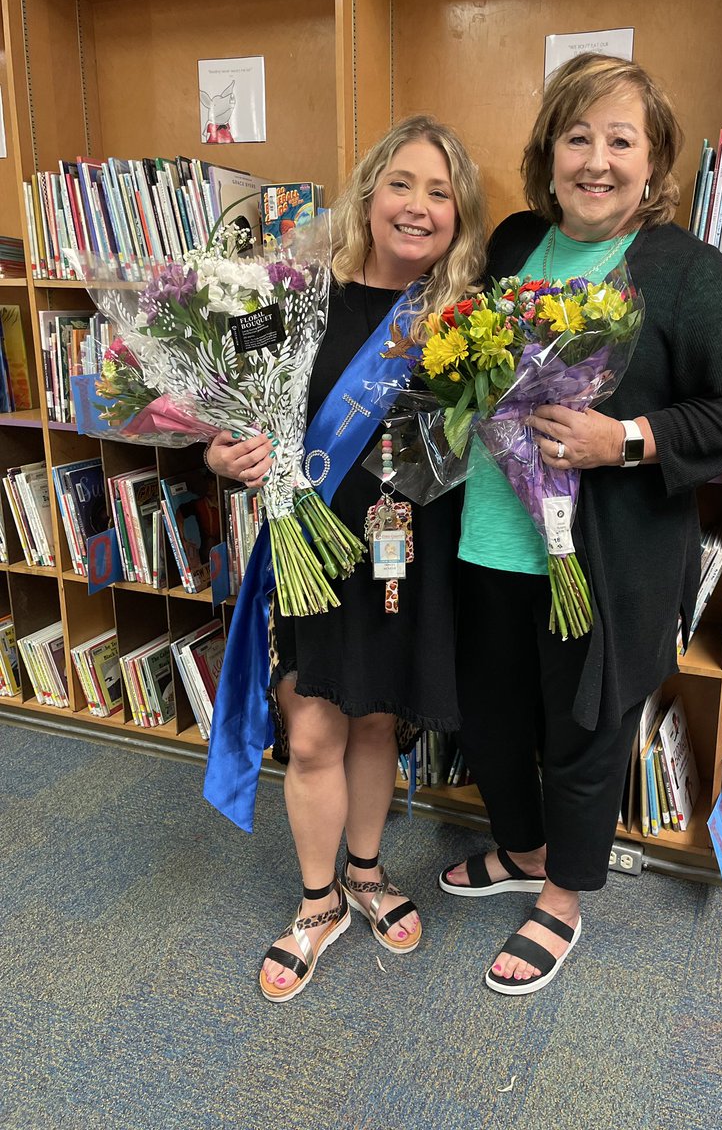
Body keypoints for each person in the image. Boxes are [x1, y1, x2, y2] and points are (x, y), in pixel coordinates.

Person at [441, 53, 722, 994]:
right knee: (494, 720)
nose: (596, 160)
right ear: (548, 156)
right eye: (576, 137)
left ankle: (565, 896)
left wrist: (622, 438)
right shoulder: (509, 244)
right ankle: (523, 851)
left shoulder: (686, 272)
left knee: (584, 729)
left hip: (603, 561)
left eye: (620, 140)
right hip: (488, 544)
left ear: (653, 160)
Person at [205, 115, 486, 1002]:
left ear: (459, 218)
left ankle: (368, 872)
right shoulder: (293, 297)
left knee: (377, 720)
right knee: (317, 728)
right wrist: (220, 452)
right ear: (369, 194)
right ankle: (319, 900)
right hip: (312, 544)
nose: (419, 206)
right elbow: (225, 406)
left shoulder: (461, 319)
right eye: (403, 183)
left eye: (442, 194)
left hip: (408, 554)